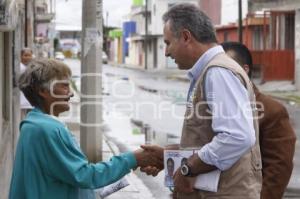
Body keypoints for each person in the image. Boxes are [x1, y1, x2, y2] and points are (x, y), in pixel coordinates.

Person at [141, 3, 262, 198]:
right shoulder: (209, 72)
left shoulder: (218, 72)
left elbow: (237, 137)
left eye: (168, 43)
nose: (166, 52)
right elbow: (207, 138)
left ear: (186, 37)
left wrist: (188, 168)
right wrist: (168, 155)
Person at [9, 59, 161, 199]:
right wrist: (133, 159)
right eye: (64, 85)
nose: (71, 93)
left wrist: (133, 163)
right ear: (42, 91)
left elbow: (71, 177)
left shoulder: (36, 123)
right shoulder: (47, 130)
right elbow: (85, 176)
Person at [221, 41, 296, 199]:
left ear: (244, 70)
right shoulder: (213, 108)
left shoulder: (271, 110)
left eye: (224, 69)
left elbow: (278, 170)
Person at [20, 48, 33, 117]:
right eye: (25, 55)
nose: (28, 57)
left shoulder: (29, 67)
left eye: (29, 55)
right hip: (21, 100)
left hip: (28, 100)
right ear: (20, 56)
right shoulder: (20, 67)